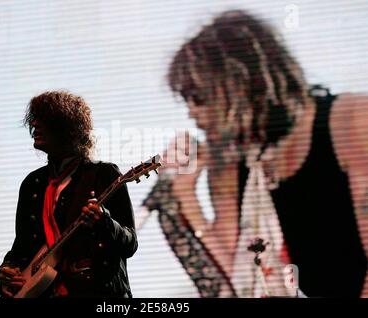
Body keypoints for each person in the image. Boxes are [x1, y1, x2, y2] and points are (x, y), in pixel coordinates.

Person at [142, 10, 368, 297]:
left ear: (239, 84)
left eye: (198, 97)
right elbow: (237, 277)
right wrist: (186, 196)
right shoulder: (236, 162)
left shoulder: (351, 122)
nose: (192, 112)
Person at [0, 91, 138, 298]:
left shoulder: (103, 174)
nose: (34, 124)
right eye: (33, 118)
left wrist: (103, 222)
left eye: (44, 119)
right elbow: (21, 250)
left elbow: (130, 243)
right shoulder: (33, 184)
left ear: (68, 128)